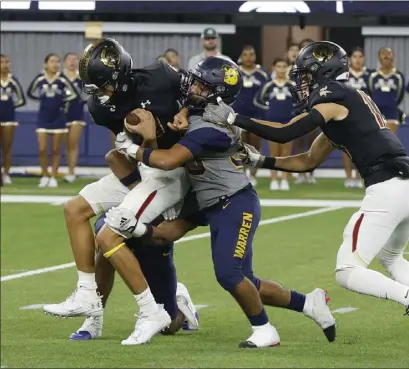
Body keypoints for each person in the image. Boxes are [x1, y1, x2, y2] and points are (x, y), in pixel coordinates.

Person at [200, 41, 409, 350]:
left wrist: (236, 119)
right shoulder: (345, 103)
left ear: (322, 74)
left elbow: (286, 132)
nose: (300, 84)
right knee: (391, 257)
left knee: (347, 270)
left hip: (388, 188)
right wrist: (260, 160)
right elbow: (307, 161)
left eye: (304, 77)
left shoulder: (334, 95)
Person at [109, 56, 336, 348]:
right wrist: (134, 227)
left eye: (201, 86)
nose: (193, 88)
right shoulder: (200, 111)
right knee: (168, 240)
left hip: (234, 202)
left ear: (217, 93)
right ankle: (309, 304)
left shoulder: (213, 127)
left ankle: (265, 330)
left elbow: (168, 161)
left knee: (229, 274)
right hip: (207, 199)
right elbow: (168, 232)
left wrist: (132, 148)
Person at [42, 38, 196, 346]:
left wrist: (186, 112)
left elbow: (199, 93)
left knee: (109, 237)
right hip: (141, 170)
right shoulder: (100, 105)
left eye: (102, 86)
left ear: (120, 76)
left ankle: (167, 305)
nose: (98, 94)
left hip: (170, 173)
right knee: (75, 210)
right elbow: (120, 151)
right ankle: (87, 296)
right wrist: (137, 157)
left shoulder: (161, 76)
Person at [70, 213, 198, 340]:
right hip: (122, 216)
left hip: (154, 233)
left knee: (169, 326)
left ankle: (179, 298)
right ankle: (94, 319)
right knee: (106, 239)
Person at [27, 53, 78, 188]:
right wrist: (43, 100)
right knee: (42, 148)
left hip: (58, 118)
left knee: (56, 149)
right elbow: (30, 92)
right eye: (52, 61)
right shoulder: (40, 78)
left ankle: (53, 176)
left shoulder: (62, 78)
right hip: (43, 118)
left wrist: (61, 101)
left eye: (57, 62)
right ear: (46, 64)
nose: (55, 64)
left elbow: (73, 94)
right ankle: (44, 175)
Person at [256, 58, 295, 191]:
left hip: (288, 122)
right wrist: (268, 110)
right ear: (274, 68)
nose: (281, 69)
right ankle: (273, 179)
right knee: (274, 152)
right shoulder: (269, 85)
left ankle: (284, 179)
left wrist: (294, 111)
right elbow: (258, 100)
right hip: (272, 122)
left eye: (284, 66)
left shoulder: (292, 85)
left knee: (286, 152)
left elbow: (302, 102)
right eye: (278, 66)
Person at [233, 45, 269, 187]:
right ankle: (242, 174)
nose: (248, 57)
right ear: (241, 56)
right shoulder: (235, 73)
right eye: (245, 54)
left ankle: (253, 174)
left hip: (256, 115)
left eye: (251, 54)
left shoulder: (262, 74)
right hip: (238, 115)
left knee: (255, 146)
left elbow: (267, 94)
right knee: (239, 146)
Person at [343, 47, 371, 189]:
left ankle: (362, 176)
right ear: (350, 59)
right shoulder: (344, 76)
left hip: (364, 116)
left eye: (360, 56)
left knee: (364, 149)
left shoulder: (369, 76)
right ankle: (348, 177)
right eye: (355, 57)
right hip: (346, 116)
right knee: (347, 148)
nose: (358, 60)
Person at [294, 38, 317, 185]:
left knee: (312, 141)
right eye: (303, 47)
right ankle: (299, 172)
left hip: (313, 106)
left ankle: (311, 171)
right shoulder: (294, 67)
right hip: (297, 107)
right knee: (299, 142)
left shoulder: (317, 67)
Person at [0, 54, 26, 185]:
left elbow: (22, 99)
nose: (4, 65)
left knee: (7, 147)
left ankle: (6, 173)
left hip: (9, 119)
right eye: (2, 62)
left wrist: (9, 106)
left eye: (6, 62)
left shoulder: (12, 80)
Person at [368, 47, 405, 135]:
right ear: (379, 57)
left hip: (391, 111)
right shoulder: (373, 75)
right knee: (376, 141)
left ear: (393, 57)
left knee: (390, 142)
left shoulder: (398, 76)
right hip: (376, 112)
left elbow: (400, 95)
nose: (386, 56)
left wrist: (391, 103)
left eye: (389, 53)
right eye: (383, 53)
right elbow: (370, 92)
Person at [63, 52, 87, 183]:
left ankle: (71, 172)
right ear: (64, 62)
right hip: (61, 114)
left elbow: (89, 94)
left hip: (77, 114)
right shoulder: (60, 77)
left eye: (74, 59)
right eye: (69, 59)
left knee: (73, 143)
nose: (72, 62)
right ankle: (62, 170)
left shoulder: (82, 78)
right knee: (64, 144)